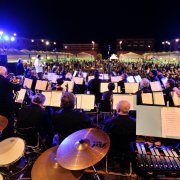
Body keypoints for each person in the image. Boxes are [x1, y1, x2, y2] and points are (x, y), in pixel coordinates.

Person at [104, 100, 136, 172]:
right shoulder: (135, 122)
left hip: (113, 148)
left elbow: (104, 135)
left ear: (118, 109)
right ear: (129, 109)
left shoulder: (110, 121)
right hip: (128, 148)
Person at [0, 66, 21, 138]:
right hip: (5, 106)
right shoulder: (3, 80)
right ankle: (8, 136)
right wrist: (16, 82)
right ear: (4, 73)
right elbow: (17, 88)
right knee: (8, 121)